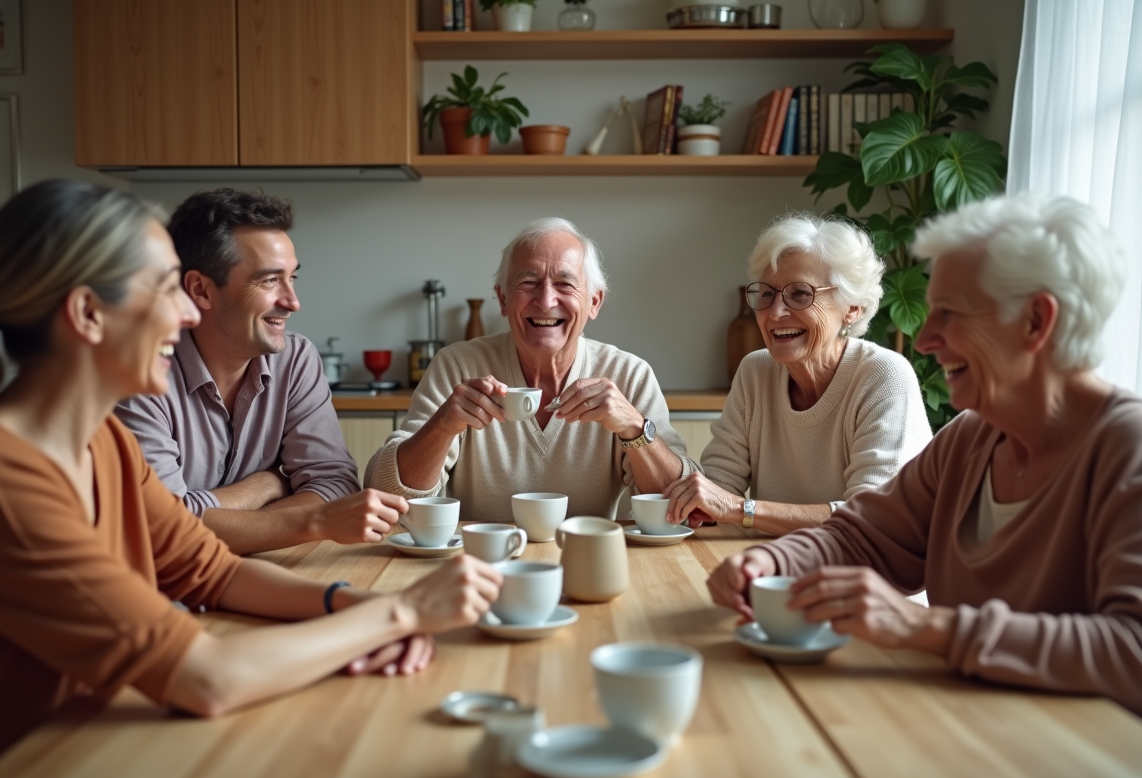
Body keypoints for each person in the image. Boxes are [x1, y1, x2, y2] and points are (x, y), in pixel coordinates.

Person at [0, 180, 502, 778]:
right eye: (164, 288)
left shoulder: (100, 442)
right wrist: (405, 610)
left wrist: (359, 609)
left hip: (97, 746)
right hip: (16, 777)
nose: (185, 312)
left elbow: (213, 572)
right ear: (86, 314)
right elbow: (206, 677)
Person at [706, 194, 1142, 712]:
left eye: (950, 313)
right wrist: (769, 560)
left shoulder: (1126, 450)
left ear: (1035, 321)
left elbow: (1131, 650)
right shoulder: (968, 440)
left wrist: (925, 626)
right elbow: (863, 537)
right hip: (961, 723)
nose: (927, 337)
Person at [116, 188, 407, 555]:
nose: (293, 302)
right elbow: (163, 527)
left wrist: (226, 524)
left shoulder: (295, 359)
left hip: (264, 569)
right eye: (269, 280)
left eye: (292, 278)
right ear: (200, 290)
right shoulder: (139, 373)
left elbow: (334, 485)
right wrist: (267, 486)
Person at [365, 218, 696, 521]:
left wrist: (635, 429)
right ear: (503, 299)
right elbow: (385, 495)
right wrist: (442, 426)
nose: (546, 300)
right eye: (528, 282)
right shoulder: (458, 367)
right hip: (479, 564)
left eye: (565, 284)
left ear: (594, 302)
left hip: (585, 559)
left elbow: (680, 504)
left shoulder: (629, 375)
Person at [664, 214, 932, 535]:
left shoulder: (883, 376)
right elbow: (720, 485)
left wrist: (740, 509)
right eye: (766, 294)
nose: (775, 313)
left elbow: (873, 516)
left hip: (868, 578)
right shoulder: (756, 371)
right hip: (777, 567)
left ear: (852, 307)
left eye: (801, 294)